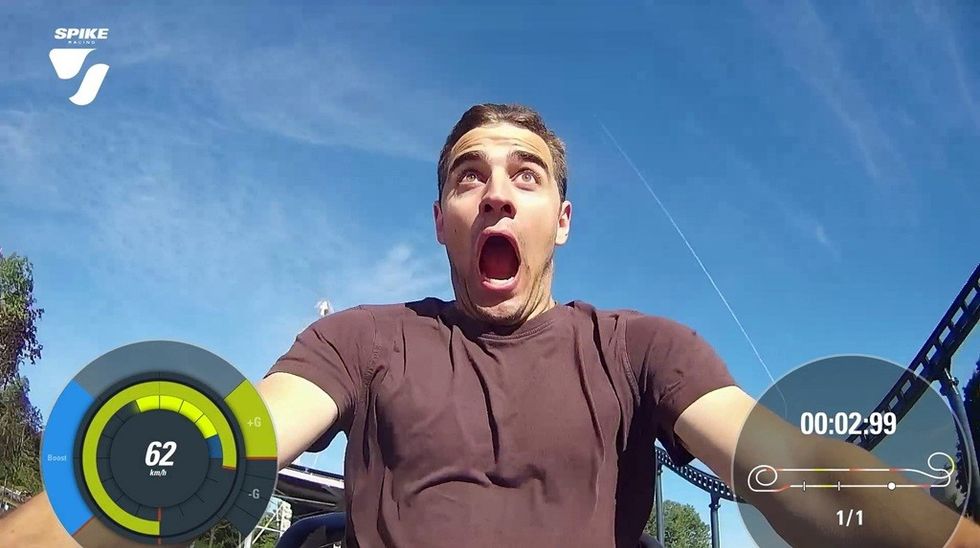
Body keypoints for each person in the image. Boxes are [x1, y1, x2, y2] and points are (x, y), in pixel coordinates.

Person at [1, 103, 978, 547]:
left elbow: (786, 470)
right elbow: (219, 443)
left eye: (525, 175)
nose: (494, 194)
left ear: (561, 218)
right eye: (467, 176)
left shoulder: (642, 346)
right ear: (441, 222)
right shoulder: (363, 341)